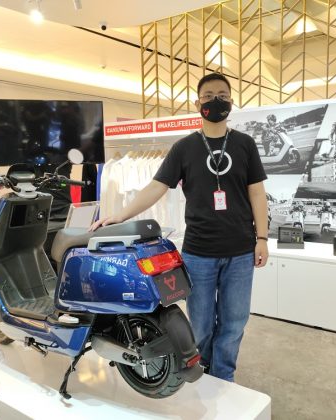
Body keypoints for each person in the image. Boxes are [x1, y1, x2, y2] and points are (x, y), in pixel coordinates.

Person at [91, 72, 269, 382]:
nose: (216, 101)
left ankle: (224, 376)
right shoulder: (184, 147)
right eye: (209, 96)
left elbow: (257, 193)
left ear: (231, 101)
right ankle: (204, 373)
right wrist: (119, 215)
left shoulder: (245, 144)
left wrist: (262, 238)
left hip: (241, 251)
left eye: (223, 95)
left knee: (234, 322)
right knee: (200, 324)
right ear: (198, 103)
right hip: (199, 252)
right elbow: (156, 187)